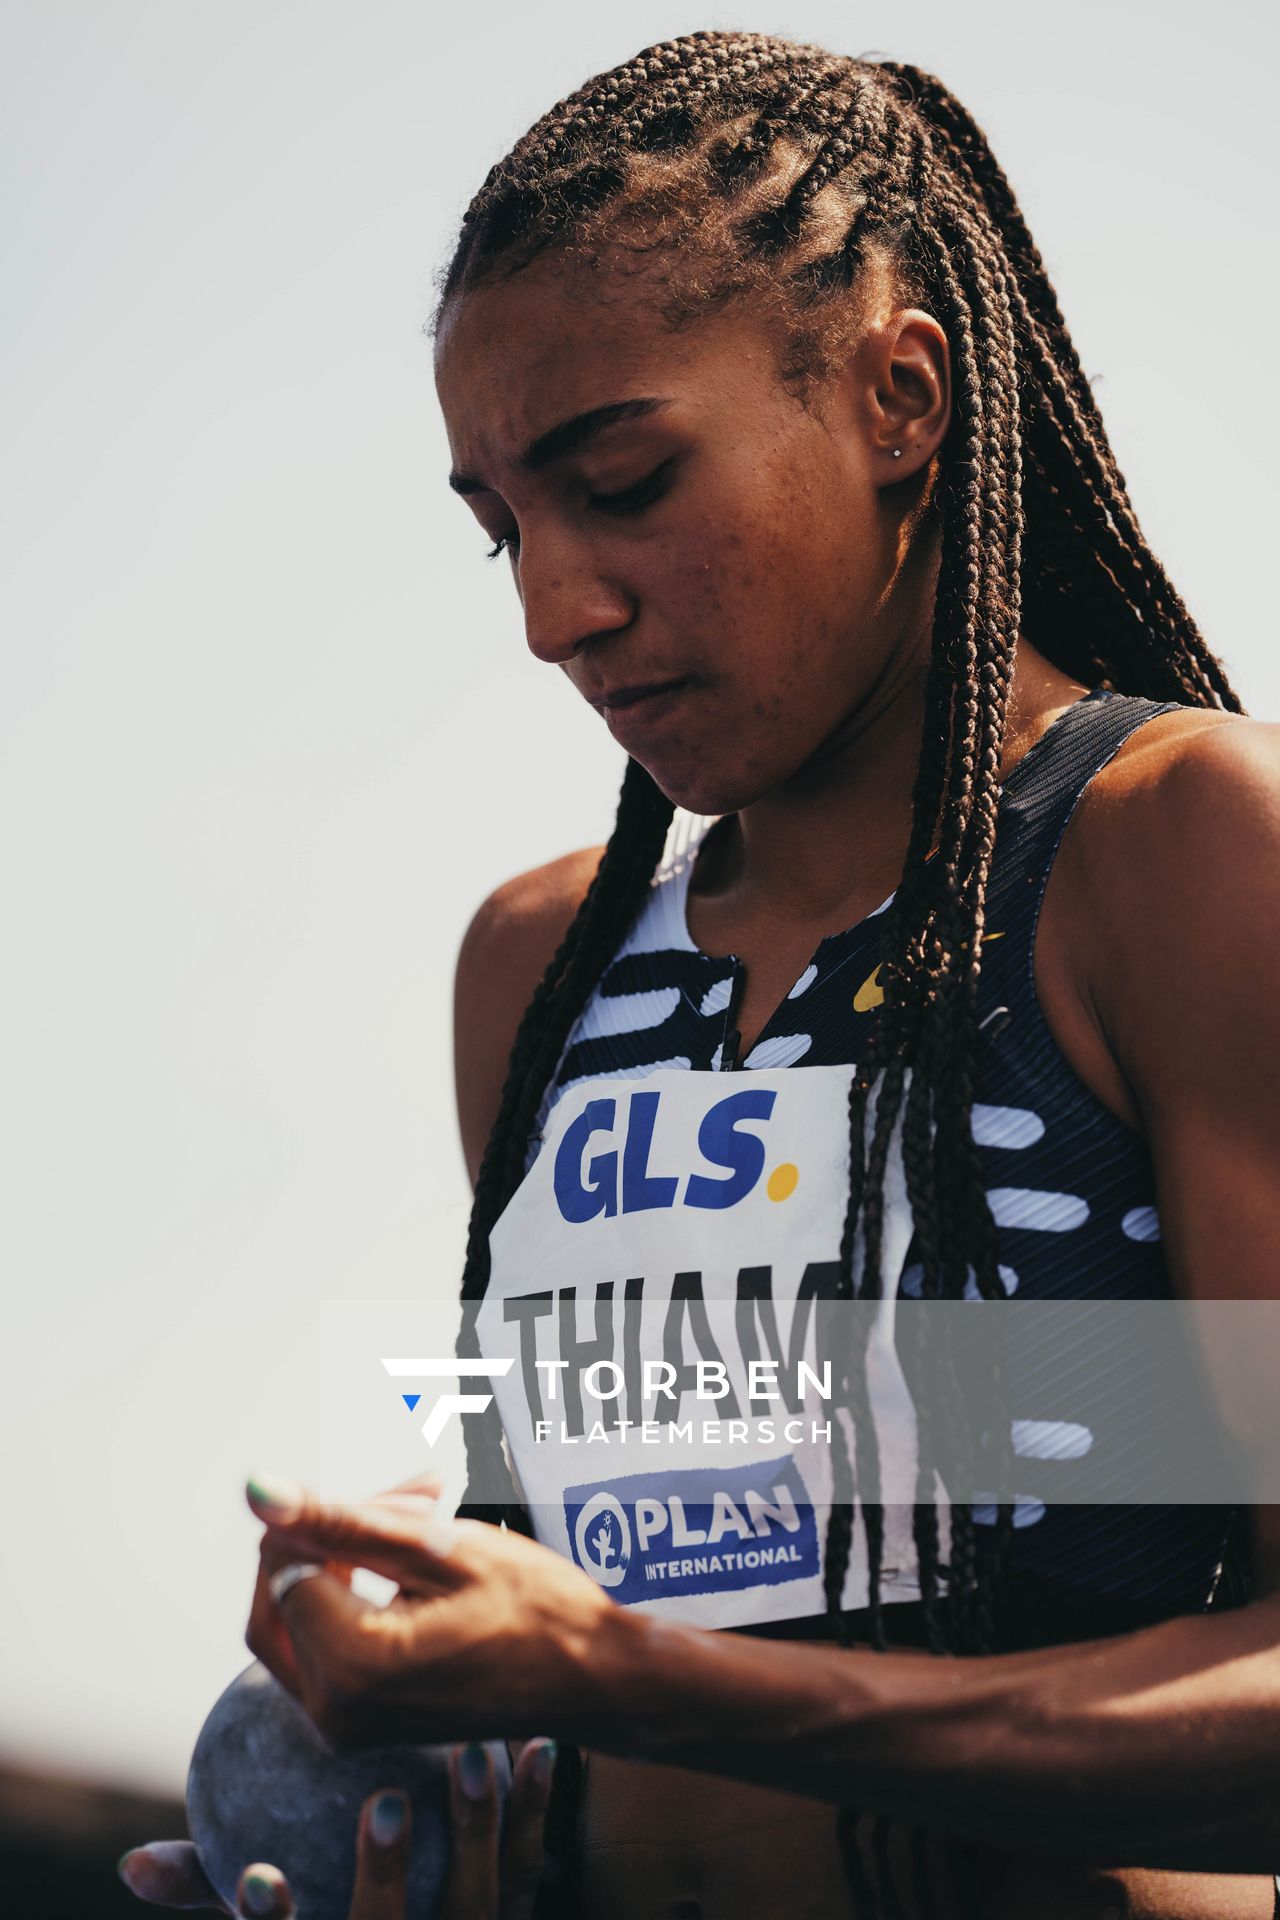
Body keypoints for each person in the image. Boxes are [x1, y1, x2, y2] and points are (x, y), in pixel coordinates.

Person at [124, 28, 1280, 1920]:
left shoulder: (1177, 856)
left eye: (626, 481)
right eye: (504, 528)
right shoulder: (535, 972)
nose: (550, 612)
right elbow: (577, 1568)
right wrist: (440, 1736)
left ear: (901, 395)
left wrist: (642, 1681)